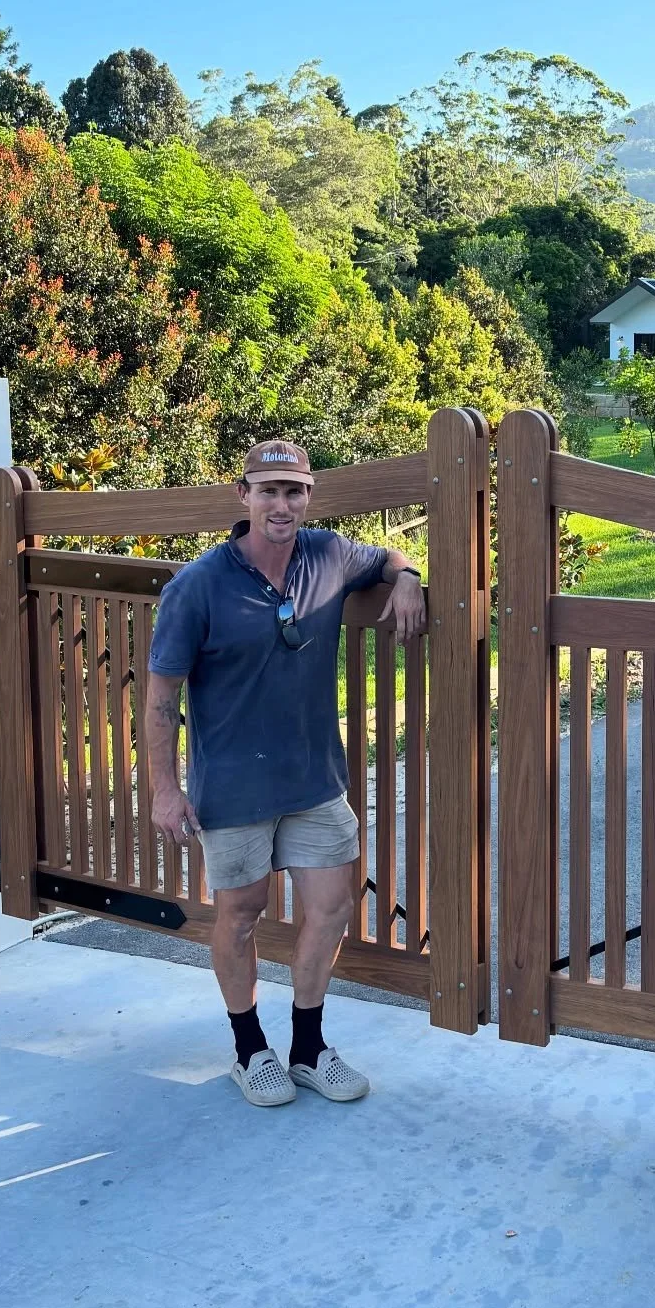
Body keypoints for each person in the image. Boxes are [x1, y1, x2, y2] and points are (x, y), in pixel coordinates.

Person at [144, 439, 427, 1108]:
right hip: (235, 786)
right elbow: (160, 696)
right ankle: (249, 1048)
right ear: (242, 496)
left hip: (314, 781)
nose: (282, 504)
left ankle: (307, 1047)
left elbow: (392, 557)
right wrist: (163, 788)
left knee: (331, 908)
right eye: (268, 490)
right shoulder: (198, 586)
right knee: (240, 916)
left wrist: (411, 580)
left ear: (308, 496)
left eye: (294, 491)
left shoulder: (328, 554)